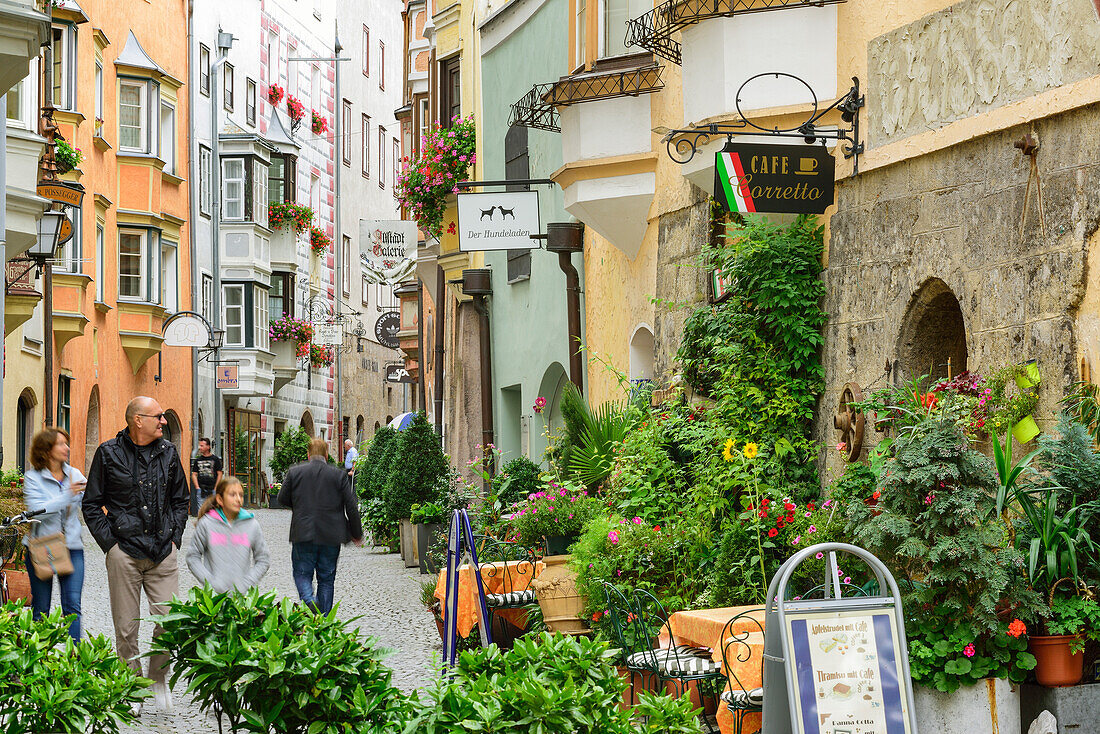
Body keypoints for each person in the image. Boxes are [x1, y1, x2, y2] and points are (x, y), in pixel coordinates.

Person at [82, 396, 189, 713]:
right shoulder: (107, 453)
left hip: (162, 553)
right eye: (158, 416)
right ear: (137, 420)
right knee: (126, 629)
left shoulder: (169, 453)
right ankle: (133, 688)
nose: (164, 421)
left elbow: (181, 500)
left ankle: (158, 678)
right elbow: (91, 504)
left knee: (170, 622)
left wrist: (175, 539)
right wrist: (110, 545)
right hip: (124, 554)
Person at [278, 438, 362, 613]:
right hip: (331, 535)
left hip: (303, 532)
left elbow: (281, 498)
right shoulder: (338, 475)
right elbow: (351, 506)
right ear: (326, 455)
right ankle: (323, 620)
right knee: (326, 579)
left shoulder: (295, 473)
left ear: (308, 455)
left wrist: (300, 507)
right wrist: (356, 533)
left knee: (302, 573)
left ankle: (309, 600)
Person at [22, 428, 86, 641]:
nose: (66, 448)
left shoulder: (75, 475)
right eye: (60, 444)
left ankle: (75, 664)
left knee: (73, 607)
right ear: (46, 450)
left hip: (72, 547)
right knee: (41, 609)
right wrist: (68, 494)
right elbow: (36, 510)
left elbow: (91, 501)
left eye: (66, 443)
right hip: (42, 546)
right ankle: (39, 665)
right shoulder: (32, 478)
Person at [186, 476, 270, 593]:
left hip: (242, 600)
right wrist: (210, 582)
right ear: (220, 499)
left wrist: (246, 583)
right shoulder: (206, 523)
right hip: (213, 600)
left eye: (240, 495)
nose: (238, 499)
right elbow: (192, 557)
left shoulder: (252, 525)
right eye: (232, 495)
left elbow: (263, 559)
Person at [190, 437, 222, 515]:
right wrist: (197, 487)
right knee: (201, 511)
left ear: (208, 447)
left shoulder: (215, 459)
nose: (199, 448)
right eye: (199, 446)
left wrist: (216, 487)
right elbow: (194, 474)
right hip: (201, 489)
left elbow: (220, 474)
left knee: (213, 511)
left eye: (202, 446)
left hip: (212, 489)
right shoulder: (198, 460)